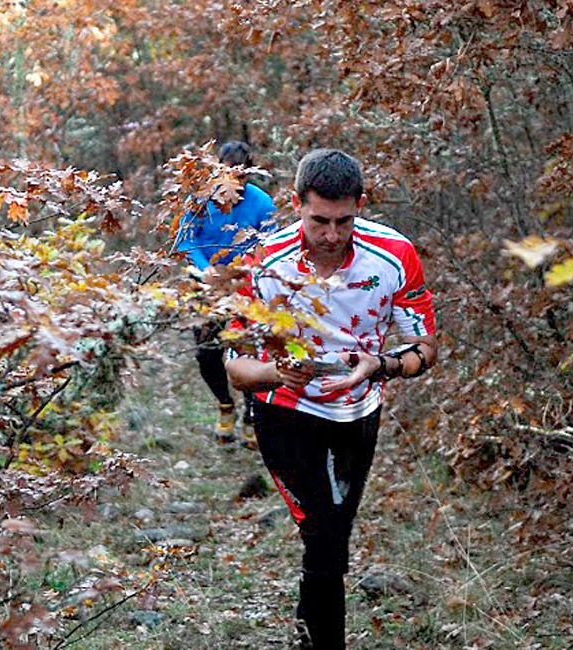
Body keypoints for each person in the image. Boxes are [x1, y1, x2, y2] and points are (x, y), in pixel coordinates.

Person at [224, 148, 438, 649]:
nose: (331, 234)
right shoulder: (262, 262)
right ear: (295, 203)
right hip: (284, 411)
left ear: (361, 204)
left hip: (359, 409)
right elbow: (234, 366)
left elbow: (424, 347)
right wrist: (277, 372)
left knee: (332, 534)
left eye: (344, 220)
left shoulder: (395, 255)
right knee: (323, 535)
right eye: (319, 219)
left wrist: (378, 365)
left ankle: (306, 636)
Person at [173, 141, 276, 445]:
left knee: (246, 348)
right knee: (207, 354)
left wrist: (241, 272)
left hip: (245, 285)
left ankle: (250, 415)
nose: (235, 184)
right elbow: (185, 241)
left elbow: (269, 246)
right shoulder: (199, 201)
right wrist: (206, 271)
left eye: (241, 177)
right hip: (204, 286)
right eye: (228, 176)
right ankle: (224, 404)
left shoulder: (262, 203)